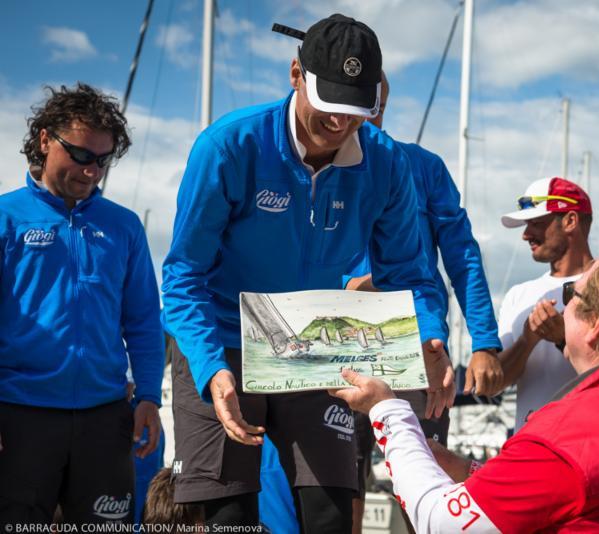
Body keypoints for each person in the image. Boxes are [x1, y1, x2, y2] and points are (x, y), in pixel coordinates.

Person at [161, 14, 454, 531]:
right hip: (224, 338)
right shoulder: (230, 146)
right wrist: (210, 367)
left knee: (331, 514)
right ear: (296, 73)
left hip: (315, 345)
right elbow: (184, 275)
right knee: (229, 516)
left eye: (356, 110)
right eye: (331, 103)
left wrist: (431, 335)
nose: (340, 123)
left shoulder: (386, 164)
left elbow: (411, 272)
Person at [334, 238, 599, 532]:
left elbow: (442, 523)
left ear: (595, 326)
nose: (563, 304)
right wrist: (472, 473)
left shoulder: (571, 434)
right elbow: (578, 497)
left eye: (571, 294)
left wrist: (387, 410)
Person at [345, 72, 503, 532]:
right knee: (337, 482)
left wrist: (485, 343)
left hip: (417, 345)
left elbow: (463, 257)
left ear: (383, 101)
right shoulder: (313, 166)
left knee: (427, 471)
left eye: (372, 99)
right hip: (335, 345)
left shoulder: (423, 166)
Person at [0, 83, 163, 525]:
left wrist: (149, 396)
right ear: (45, 140)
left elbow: (145, 320)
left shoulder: (124, 227)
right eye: (82, 156)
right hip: (20, 416)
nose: (93, 171)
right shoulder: (7, 218)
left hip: (104, 419)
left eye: (103, 160)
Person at [496, 177, 594, 430]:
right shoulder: (518, 295)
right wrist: (528, 340)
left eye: (537, 223)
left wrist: (565, 338)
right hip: (532, 445)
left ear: (571, 221)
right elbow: (495, 384)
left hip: (590, 442)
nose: (526, 234)